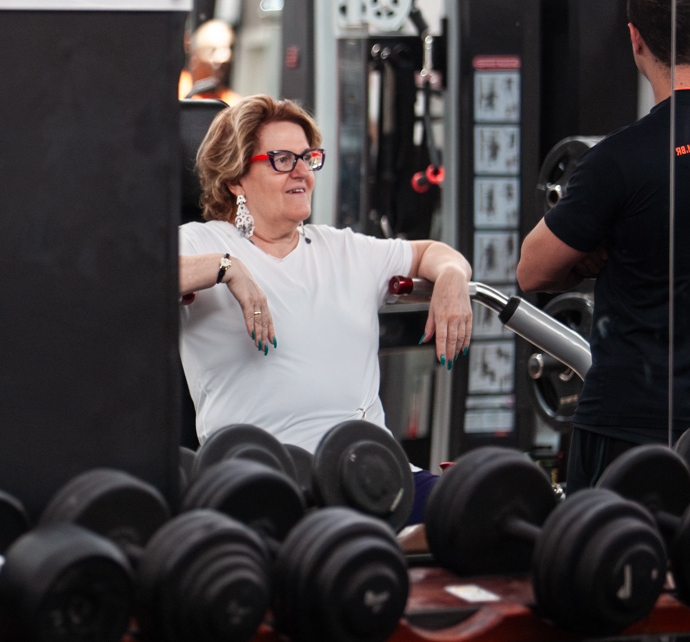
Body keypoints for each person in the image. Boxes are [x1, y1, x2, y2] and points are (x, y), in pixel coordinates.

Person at [178, 95, 474, 523]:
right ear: (236, 180)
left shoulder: (344, 249)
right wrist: (227, 268)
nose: (301, 172)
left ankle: (406, 537)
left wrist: (450, 277)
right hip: (266, 483)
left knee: (480, 515)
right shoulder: (201, 243)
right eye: (281, 159)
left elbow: (435, 253)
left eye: (307, 157)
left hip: (372, 476)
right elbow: (133, 278)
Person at [518, 0, 690, 487]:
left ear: (635, 38)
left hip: (625, 423)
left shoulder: (616, 161)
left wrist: (596, 253)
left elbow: (531, 271)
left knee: (607, 565)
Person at [178, 19, 241, 104]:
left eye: (227, 50)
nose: (222, 59)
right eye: (212, 50)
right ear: (194, 58)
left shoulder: (232, 104)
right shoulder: (176, 89)